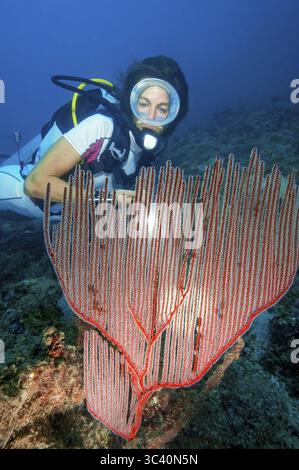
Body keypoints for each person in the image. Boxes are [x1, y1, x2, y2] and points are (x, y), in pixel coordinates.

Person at [0, 55, 189, 219]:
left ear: (175, 116)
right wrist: (107, 200)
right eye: (144, 104)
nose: (151, 118)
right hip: (22, 195)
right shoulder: (101, 125)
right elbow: (34, 183)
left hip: (54, 213)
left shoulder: (147, 150)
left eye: (162, 109)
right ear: (131, 101)